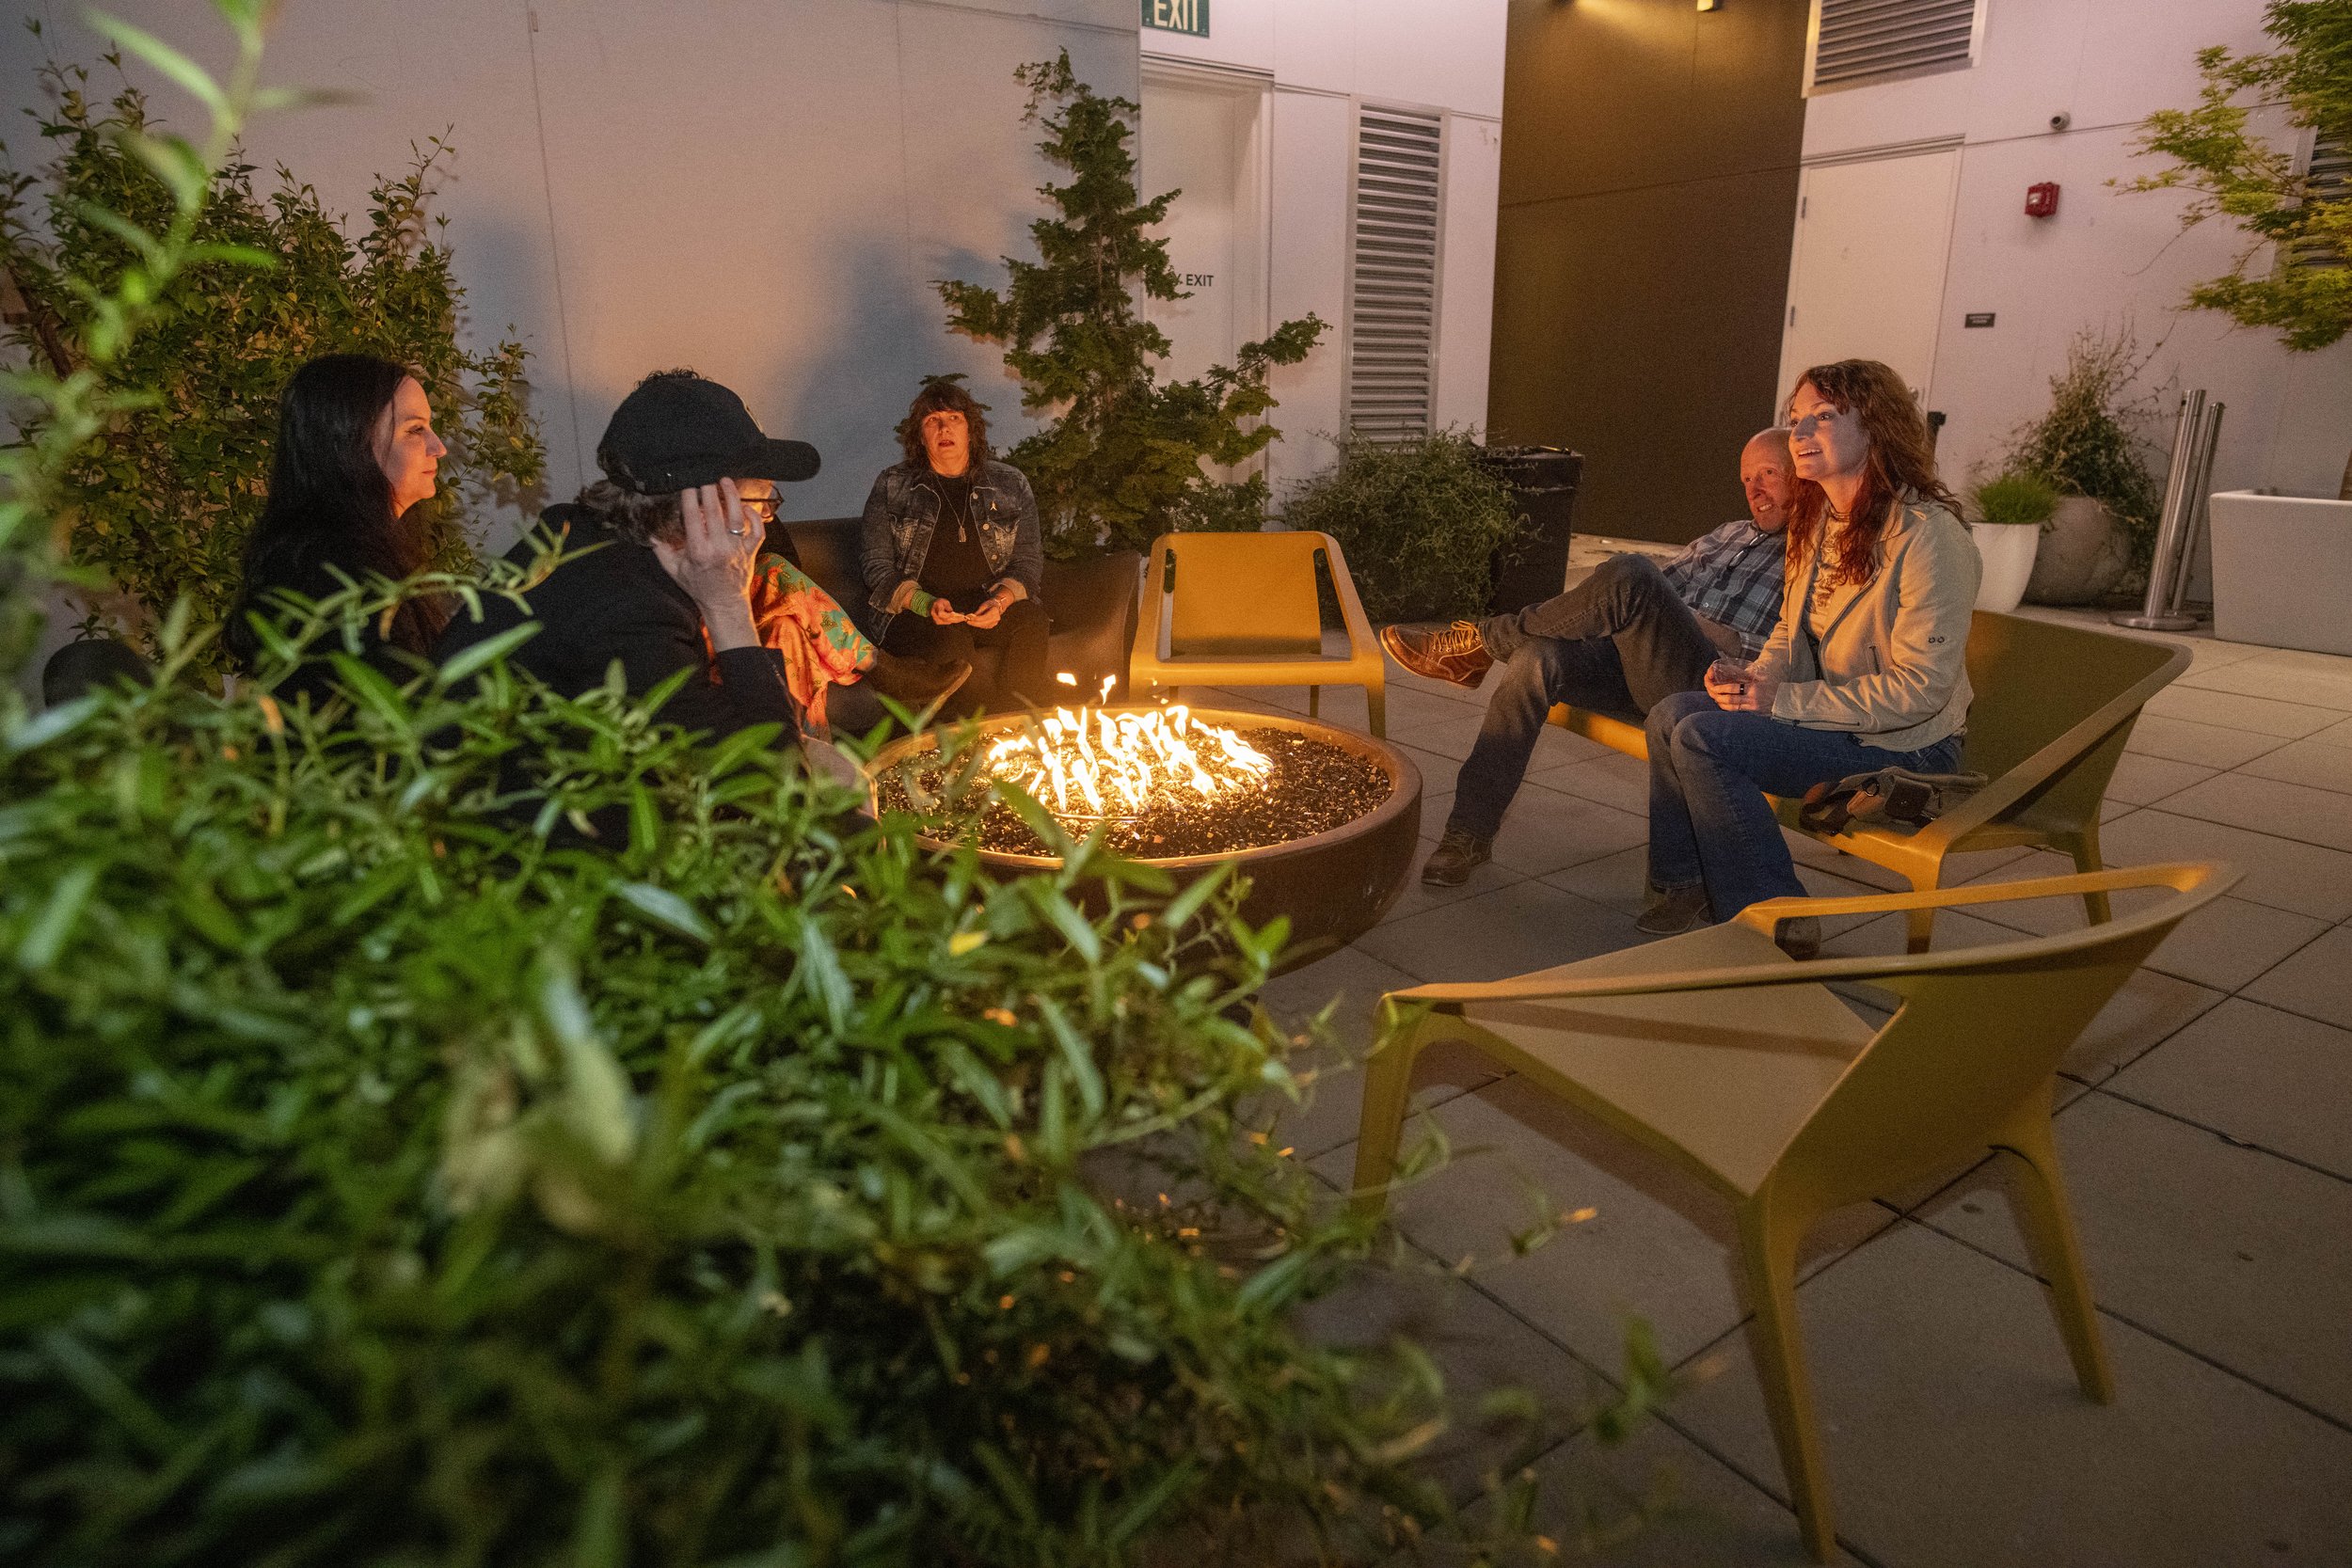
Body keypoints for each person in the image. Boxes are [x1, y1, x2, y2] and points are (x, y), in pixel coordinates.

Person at [1641, 359, 1979, 959]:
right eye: (1796, 419)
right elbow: (1787, 634)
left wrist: (1782, 700)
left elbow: (1922, 690)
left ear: (1875, 428)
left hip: (1906, 743)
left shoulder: (1930, 538)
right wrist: (1755, 679)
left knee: (1703, 738)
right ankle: (1686, 883)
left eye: (1823, 418)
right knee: (1672, 713)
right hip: (1831, 717)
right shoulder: (1817, 521)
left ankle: (1777, 921)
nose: (1799, 435)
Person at [1383, 428, 1797, 885]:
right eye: (1745, 479)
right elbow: (1653, 602)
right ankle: (1467, 833)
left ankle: (1482, 642)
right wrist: (1644, 612)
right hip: (1645, 668)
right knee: (1538, 656)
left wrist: (1685, 619)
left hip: (1710, 690)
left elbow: (1779, 655)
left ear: (1803, 476)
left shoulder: (1813, 555)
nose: (1754, 490)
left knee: (1633, 573)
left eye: (1769, 475)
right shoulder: (1727, 536)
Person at [437, 370, 822, 746]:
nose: (768, 521)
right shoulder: (630, 612)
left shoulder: (575, 533)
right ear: (702, 508)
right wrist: (728, 606)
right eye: (762, 501)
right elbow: (775, 774)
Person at [226, 354, 452, 706]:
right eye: (414, 430)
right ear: (351, 441)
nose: (439, 447)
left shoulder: (366, 550)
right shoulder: (331, 571)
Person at [860, 378, 1048, 715]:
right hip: (915, 611)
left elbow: (1028, 563)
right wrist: (922, 602)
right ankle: (965, 743)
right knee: (953, 642)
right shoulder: (893, 486)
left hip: (985, 601)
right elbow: (876, 567)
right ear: (920, 435)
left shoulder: (1010, 483)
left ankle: (1013, 727)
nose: (944, 427)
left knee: (1032, 621)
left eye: (954, 418)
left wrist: (1001, 602)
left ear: (970, 431)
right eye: (932, 420)